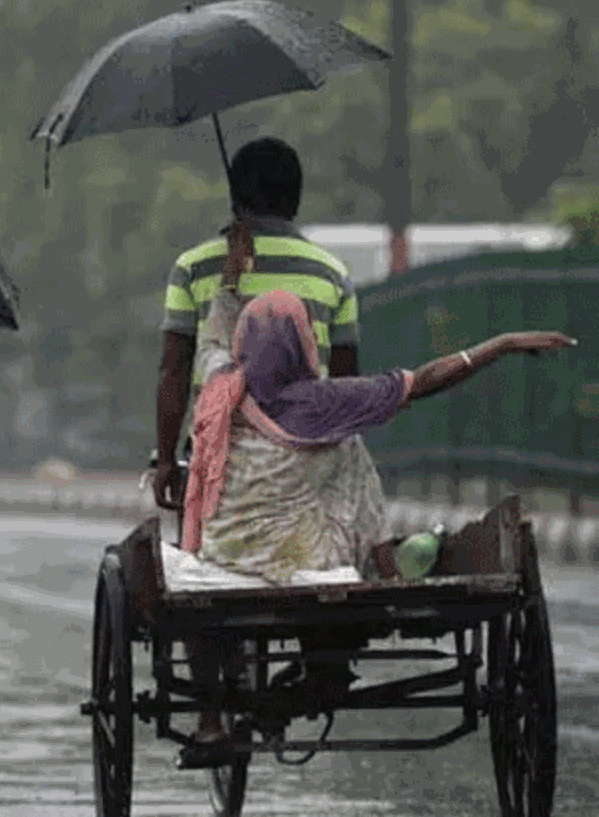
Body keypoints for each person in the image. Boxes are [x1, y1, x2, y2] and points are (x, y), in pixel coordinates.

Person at [179, 288, 574, 747]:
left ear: (243, 346)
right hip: (308, 562)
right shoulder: (327, 401)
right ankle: (378, 573)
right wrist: (502, 344)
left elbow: (209, 346)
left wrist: (226, 293)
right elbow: (423, 381)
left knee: (196, 595)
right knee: (348, 443)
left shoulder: (219, 391)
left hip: (228, 556)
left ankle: (210, 719)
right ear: (304, 343)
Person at [154, 137, 361, 512]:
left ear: (235, 196)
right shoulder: (333, 275)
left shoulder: (193, 269)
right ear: (295, 199)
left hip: (217, 463)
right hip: (304, 463)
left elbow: (174, 370)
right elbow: (345, 383)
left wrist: (166, 460)